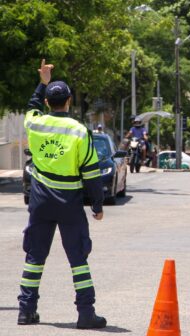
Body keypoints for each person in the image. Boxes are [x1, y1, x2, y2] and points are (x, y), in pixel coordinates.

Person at [17, 60, 106, 328]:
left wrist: (42, 82)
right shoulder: (79, 130)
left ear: (47, 103)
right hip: (69, 202)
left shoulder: (35, 124)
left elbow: (31, 107)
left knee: (34, 256)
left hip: (41, 201)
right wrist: (97, 205)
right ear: (69, 101)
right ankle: (85, 313)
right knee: (78, 258)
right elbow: (91, 171)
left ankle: (26, 310)